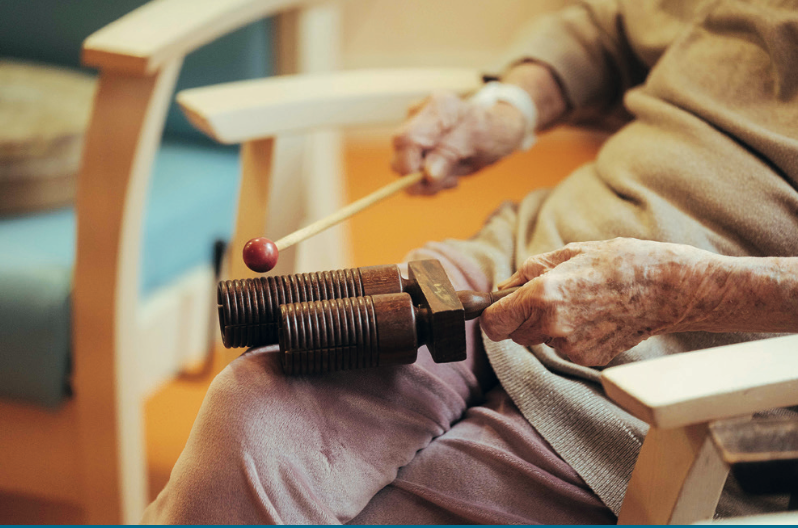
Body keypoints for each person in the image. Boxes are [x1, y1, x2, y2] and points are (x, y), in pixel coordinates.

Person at [143, 0, 798, 523]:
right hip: (522, 258)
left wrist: (685, 290)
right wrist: (512, 106)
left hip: (682, 388)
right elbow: (612, 28)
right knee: (252, 416)